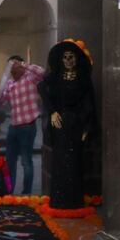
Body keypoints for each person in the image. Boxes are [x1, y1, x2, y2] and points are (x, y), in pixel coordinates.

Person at [38, 41, 95, 209]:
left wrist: (87, 127)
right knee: (60, 160)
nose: (69, 60)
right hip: (60, 124)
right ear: (61, 60)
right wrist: (52, 111)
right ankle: (59, 201)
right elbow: (41, 87)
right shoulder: (55, 76)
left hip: (76, 124)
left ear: (76, 59)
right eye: (65, 58)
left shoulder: (84, 79)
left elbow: (90, 103)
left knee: (75, 160)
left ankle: (74, 202)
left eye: (72, 57)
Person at [0, 54, 46, 195]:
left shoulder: (30, 78)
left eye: (13, 67)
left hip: (28, 126)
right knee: (10, 161)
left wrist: (24, 65)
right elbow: (0, 100)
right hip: (14, 126)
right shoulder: (10, 83)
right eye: (9, 68)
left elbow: (42, 72)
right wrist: (4, 80)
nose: (12, 70)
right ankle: (9, 192)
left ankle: (26, 193)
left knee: (26, 161)